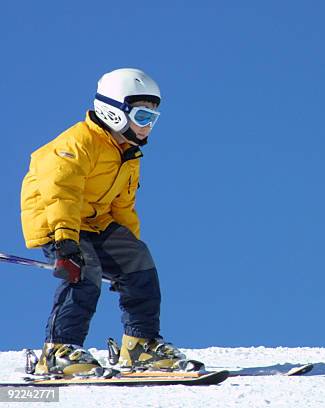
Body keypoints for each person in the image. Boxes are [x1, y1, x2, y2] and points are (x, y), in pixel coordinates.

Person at [20, 68, 186, 375]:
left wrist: (129, 252)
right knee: (84, 270)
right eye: (142, 117)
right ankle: (59, 350)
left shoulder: (127, 154)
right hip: (56, 221)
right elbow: (61, 194)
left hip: (94, 222)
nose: (148, 127)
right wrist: (66, 240)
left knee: (139, 262)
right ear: (114, 112)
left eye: (153, 118)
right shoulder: (76, 144)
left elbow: (123, 207)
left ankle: (140, 345)